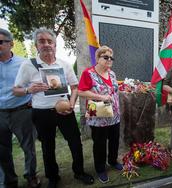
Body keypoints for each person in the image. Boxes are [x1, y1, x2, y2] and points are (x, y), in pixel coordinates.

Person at [13, 28, 94, 188]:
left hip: (65, 110)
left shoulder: (63, 64)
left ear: (55, 45)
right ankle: (53, 177)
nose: (46, 44)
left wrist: (71, 103)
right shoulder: (28, 65)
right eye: (42, 41)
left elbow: (75, 86)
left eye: (50, 41)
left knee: (75, 143)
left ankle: (79, 172)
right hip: (41, 113)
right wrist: (29, 90)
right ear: (36, 45)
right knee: (47, 146)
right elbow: (16, 90)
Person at [0, 28, 40, 188]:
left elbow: (35, 85)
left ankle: (31, 176)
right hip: (0, 114)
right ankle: (9, 181)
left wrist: (32, 99)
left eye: (0, 42)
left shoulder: (24, 63)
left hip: (21, 112)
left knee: (28, 148)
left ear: (11, 44)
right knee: (2, 151)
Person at [78, 45, 122, 184]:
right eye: (106, 57)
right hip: (98, 115)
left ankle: (113, 161)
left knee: (114, 140)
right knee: (100, 143)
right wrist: (101, 97)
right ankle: (101, 168)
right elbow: (81, 91)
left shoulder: (112, 73)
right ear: (97, 58)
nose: (109, 60)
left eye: (111, 57)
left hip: (114, 114)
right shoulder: (88, 73)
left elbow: (114, 91)